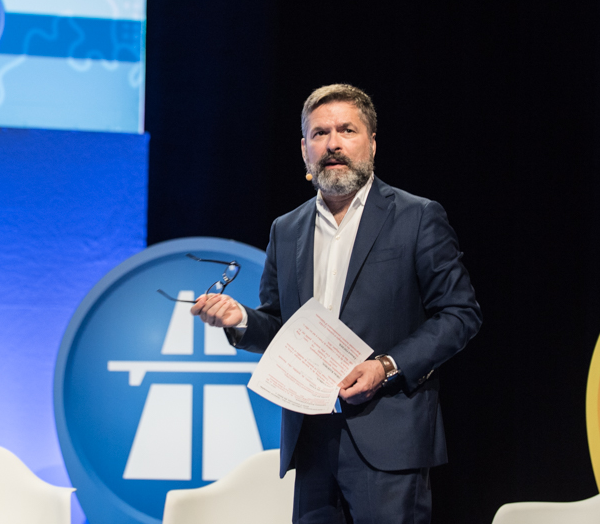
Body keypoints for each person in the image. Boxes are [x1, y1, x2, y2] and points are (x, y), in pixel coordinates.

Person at [191, 84, 482, 524]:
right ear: (305, 150)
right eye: (320, 133)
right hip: (311, 440)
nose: (333, 144)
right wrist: (240, 320)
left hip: (389, 440)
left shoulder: (417, 216)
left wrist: (385, 366)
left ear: (372, 143)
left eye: (347, 130)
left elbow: (461, 314)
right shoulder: (286, 229)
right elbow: (279, 325)